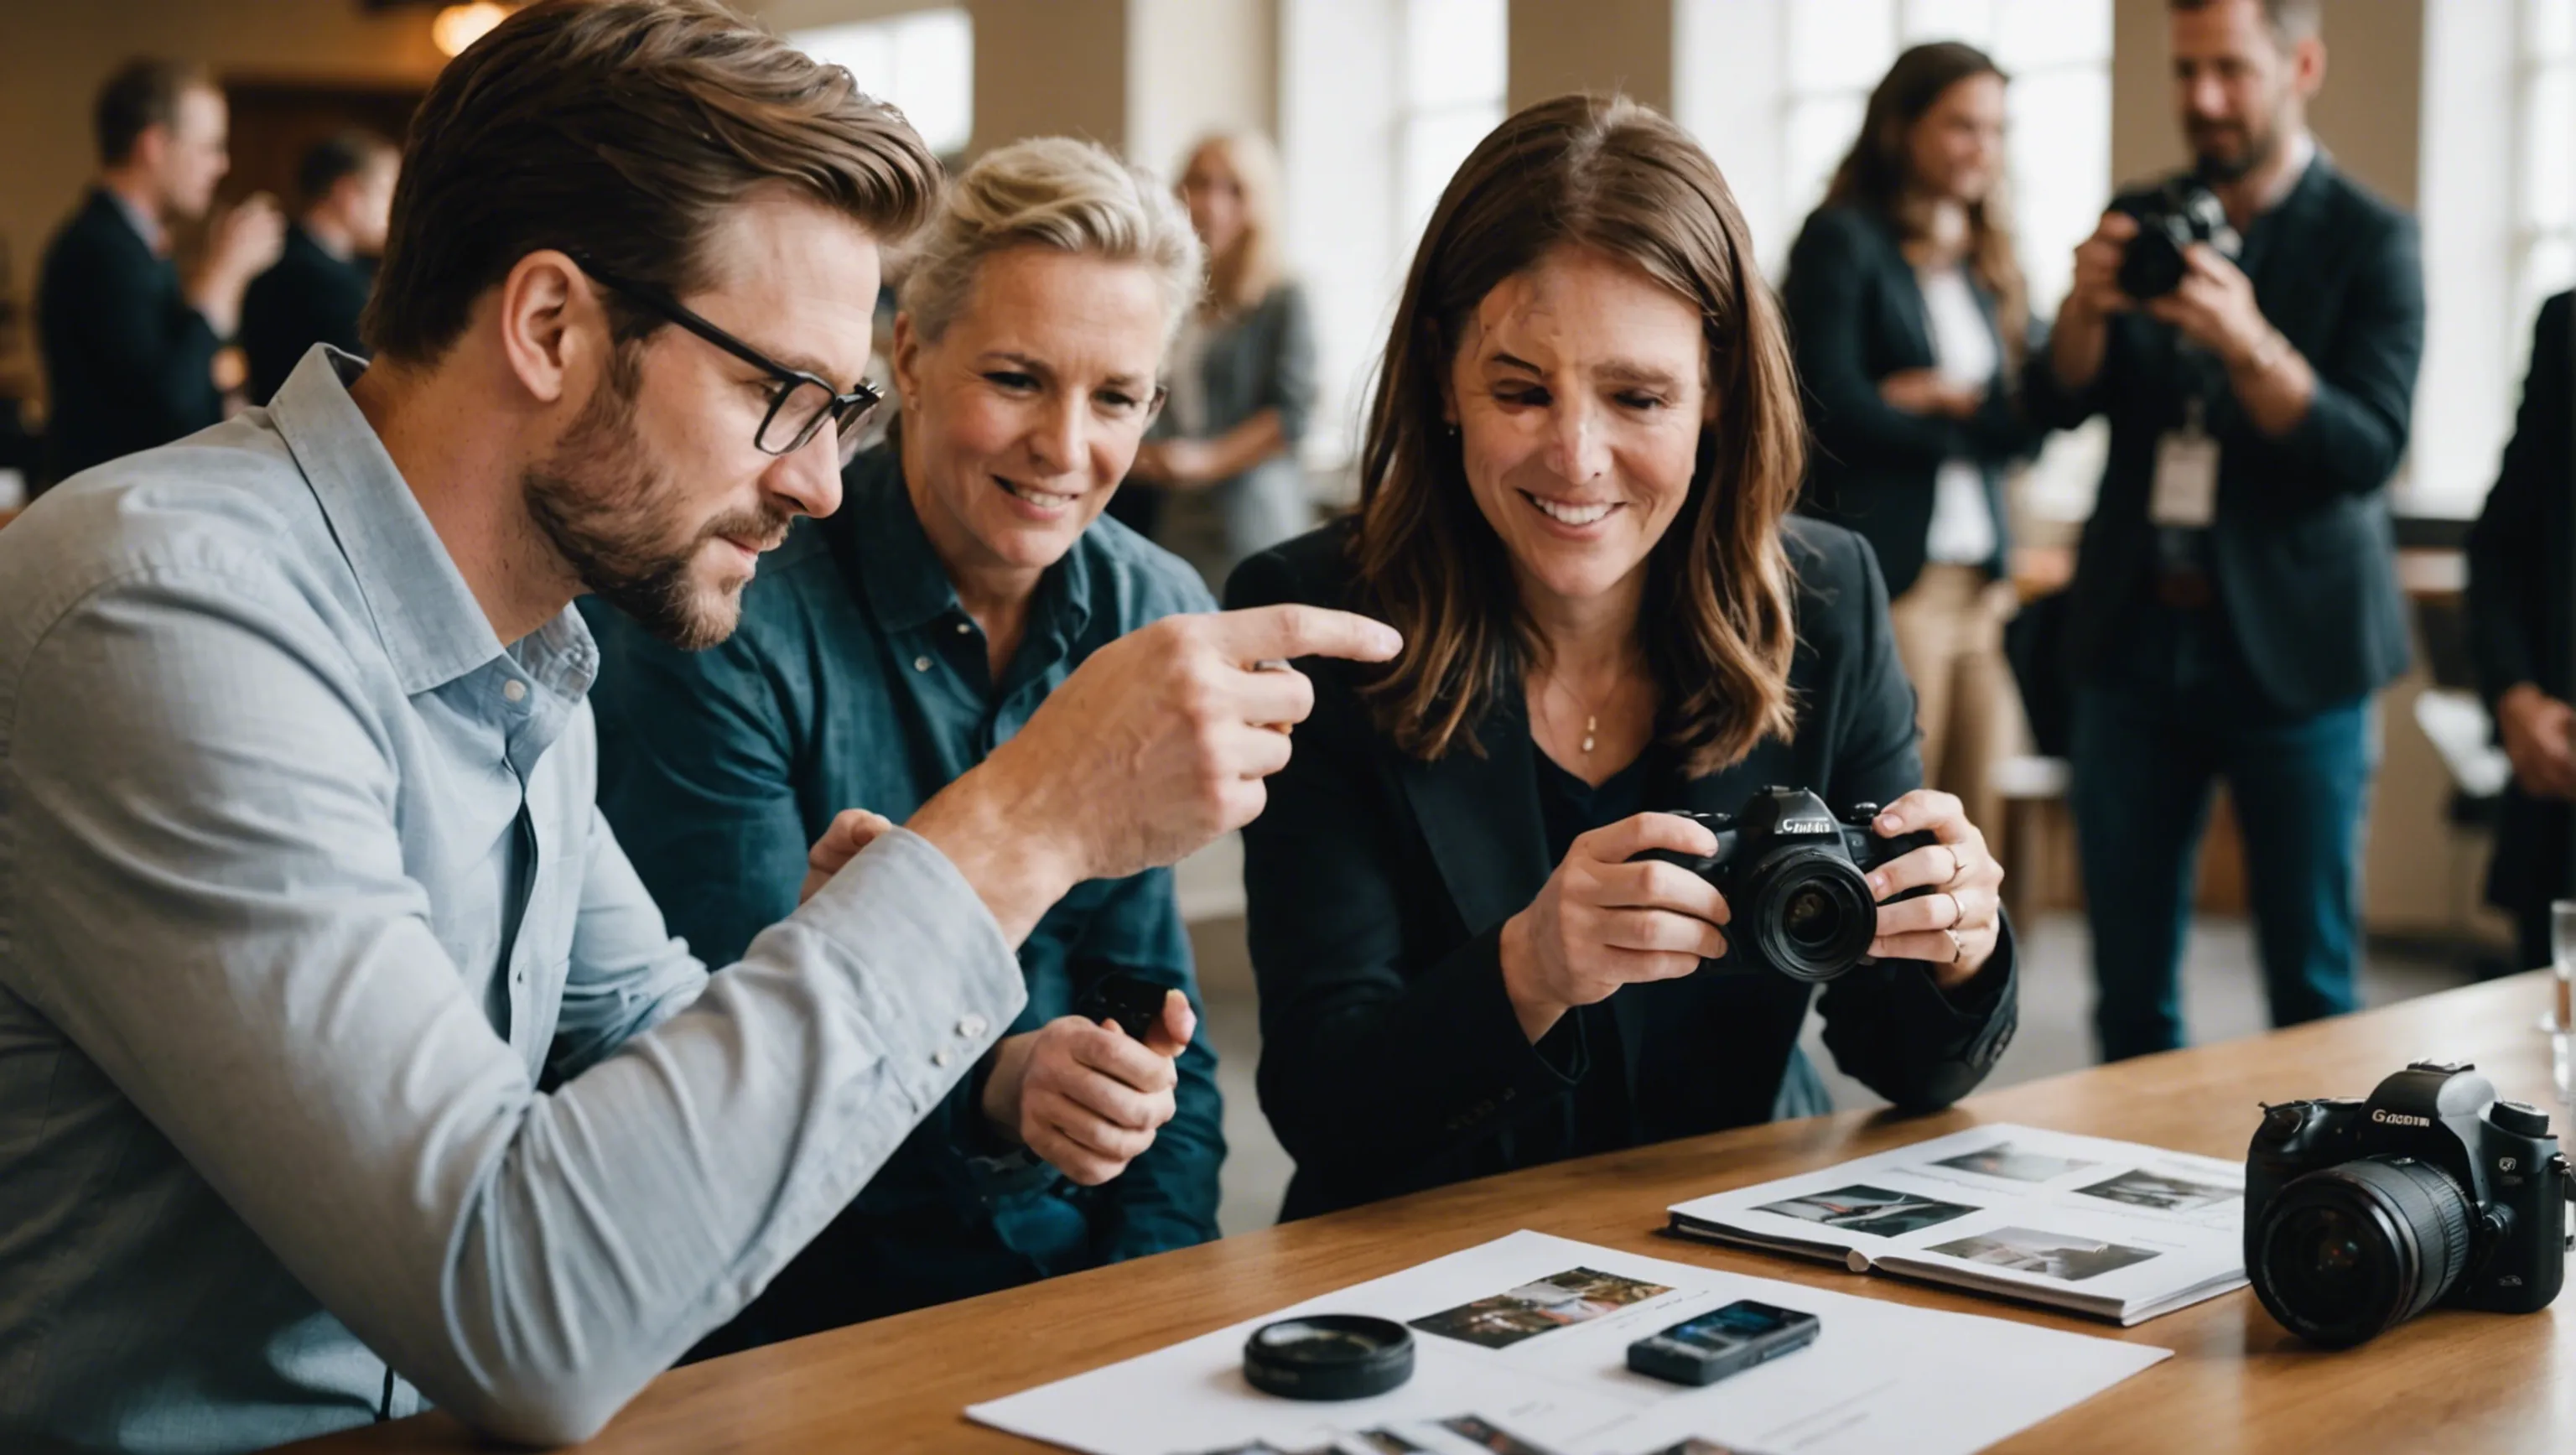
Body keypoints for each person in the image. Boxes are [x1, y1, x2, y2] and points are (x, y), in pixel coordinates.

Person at [0, 3, 1396, 1450]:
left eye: (836, 411)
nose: (820, 484)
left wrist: (986, 1072)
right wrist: (1019, 827)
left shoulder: (532, 643)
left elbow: (642, 1030)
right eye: (779, 394)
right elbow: (524, 1309)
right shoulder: (166, 611)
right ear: (550, 327)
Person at [1229, 93, 2018, 1222]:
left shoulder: (1828, 597)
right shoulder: (1314, 617)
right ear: (1445, 376)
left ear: (1719, 393)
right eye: (1519, 389)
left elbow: (1913, 1065)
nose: (1577, 457)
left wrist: (1959, 945)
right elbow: (1325, 1103)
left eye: (1639, 396)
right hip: (1424, 1255)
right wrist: (1531, 967)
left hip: (1740, 1232)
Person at [584, 136, 1223, 1355]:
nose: (1065, 447)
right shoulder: (732, 614)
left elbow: (1166, 1037)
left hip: (1067, 1277)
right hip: (791, 1311)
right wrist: (994, 1084)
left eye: (1117, 398)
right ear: (913, 353)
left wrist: (1158, 1323)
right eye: (1019, 377)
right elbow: (727, 1075)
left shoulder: (1152, 610)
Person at [2023, 0, 2422, 1061]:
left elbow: (2367, 446)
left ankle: (2329, 1208)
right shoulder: (2143, 216)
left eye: (2231, 71)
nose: (2202, 98)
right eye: (2185, 69)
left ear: (2302, 64)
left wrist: (2250, 345)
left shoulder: (2373, 238)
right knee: (2130, 988)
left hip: (2302, 648)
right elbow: (2052, 401)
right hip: (2134, 639)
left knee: (2313, 976)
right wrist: (2082, 310)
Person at [1784, 42, 2047, 837]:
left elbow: (2027, 421)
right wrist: (1970, 417)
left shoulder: (1987, 264)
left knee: (1975, 818)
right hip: (1898, 581)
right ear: (1902, 129)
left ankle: (1967, 964)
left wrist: (1939, 402)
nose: (1983, 149)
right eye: (1962, 125)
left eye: (1996, 129)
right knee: (1894, 820)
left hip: (1985, 585)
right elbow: (1830, 408)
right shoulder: (1842, 241)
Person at [34, 57, 283, 491]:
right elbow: (165, 409)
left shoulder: (136, 245)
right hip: (107, 509)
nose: (222, 164)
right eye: (209, 147)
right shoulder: (100, 250)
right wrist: (222, 276)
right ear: (154, 146)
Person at [1117, 130, 1318, 589]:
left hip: (1249, 512)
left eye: (1233, 188)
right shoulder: (1167, 293)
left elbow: (1290, 417)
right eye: (1199, 182)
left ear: (1259, 204)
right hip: (1173, 509)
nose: (1211, 202)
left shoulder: (1283, 297)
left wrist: (1203, 462)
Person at [2466, 291, 2575, 975]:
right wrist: (2515, 695)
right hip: (2563, 776)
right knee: (2553, 1052)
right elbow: (2500, 546)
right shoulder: (2567, 327)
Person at [242, 128, 400, 405]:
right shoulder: (311, 277)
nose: (395, 209)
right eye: (388, 191)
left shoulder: (335, 268)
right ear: (348, 193)